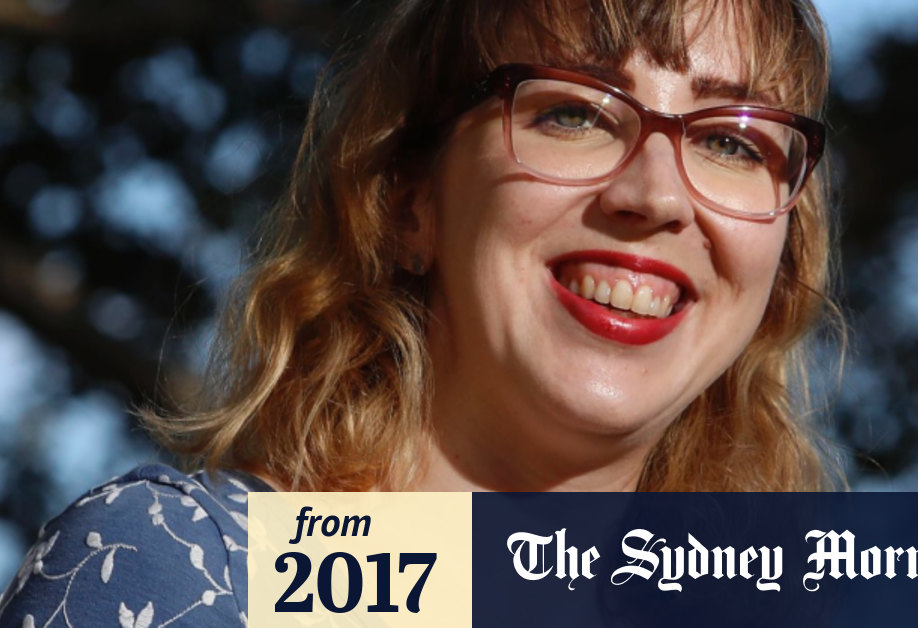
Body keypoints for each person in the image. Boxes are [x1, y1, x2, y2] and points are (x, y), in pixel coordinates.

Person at [1, 0, 837, 623]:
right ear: (407, 202)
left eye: (730, 140)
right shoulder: (189, 574)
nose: (655, 196)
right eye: (573, 112)